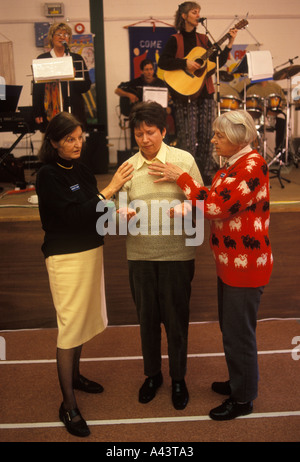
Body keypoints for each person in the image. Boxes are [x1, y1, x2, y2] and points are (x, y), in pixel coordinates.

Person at [148, 110, 273, 420]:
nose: (213, 140)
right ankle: (239, 382)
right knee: (231, 330)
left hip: (246, 268)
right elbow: (214, 196)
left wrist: (182, 178)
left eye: (219, 135)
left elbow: (216, 205)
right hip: (230, 264)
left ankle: (243, 398)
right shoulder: (235, 163)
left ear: (239, 138)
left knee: (238, 334)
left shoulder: (253, 166)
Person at [35, 112, 133, 437]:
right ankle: (68, 405)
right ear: (53, 142)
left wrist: (117, 211)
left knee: (82, 321)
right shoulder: (47, 175)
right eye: (69, 139)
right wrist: (111, 189)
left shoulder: (81, 168)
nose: (77, 144)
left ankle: (75, 376)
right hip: (66, 259)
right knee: (69, 326)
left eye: (79, 138)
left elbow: (96, 211)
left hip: (90, 252)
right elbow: (73, 216)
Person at [117, 101, 203, 410]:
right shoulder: (128, 167)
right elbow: (115, 211)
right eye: (138, 133)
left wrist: (189, 204)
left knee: (176, 322)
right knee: (147, 321)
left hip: (177, 255)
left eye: (150, 132)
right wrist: (120, 212)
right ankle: (152, 375)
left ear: (164, 131)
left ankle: (178, 378)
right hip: (139, 255)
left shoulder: (183, 160)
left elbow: (203, 201)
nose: (144, 139)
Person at [158, 2, 237, 184]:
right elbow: (163, 62)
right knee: (187, 138)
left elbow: (218, 61)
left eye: (199, 12)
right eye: (194, 12)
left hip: (205, 94)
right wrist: (184, 64)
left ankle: (204, 174)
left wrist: (230, 43)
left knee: (205, 137)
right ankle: (186, 175)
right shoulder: (175, 40)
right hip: (183, 95)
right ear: (184, 16)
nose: (198, 15)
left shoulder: (203, 39)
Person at [32, 22, 91, 131]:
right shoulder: (42, 59)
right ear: (51, 37)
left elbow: (86, 86)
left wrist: (74, 77)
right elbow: (37, 89)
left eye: (66, 34)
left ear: (69, 39)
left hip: (74, 110)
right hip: (50, 110)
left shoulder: (76, 59)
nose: (62, 37)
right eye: (58, 34)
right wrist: (37, 112)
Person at [246, 80, 286, 153]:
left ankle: (280, 152)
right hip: (256, 119)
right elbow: (247, 108)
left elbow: (283, 103)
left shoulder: (275, 87)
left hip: (272, 117)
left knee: (282, 123)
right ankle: (253, 152)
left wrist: (273, 113)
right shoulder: (251, 90)